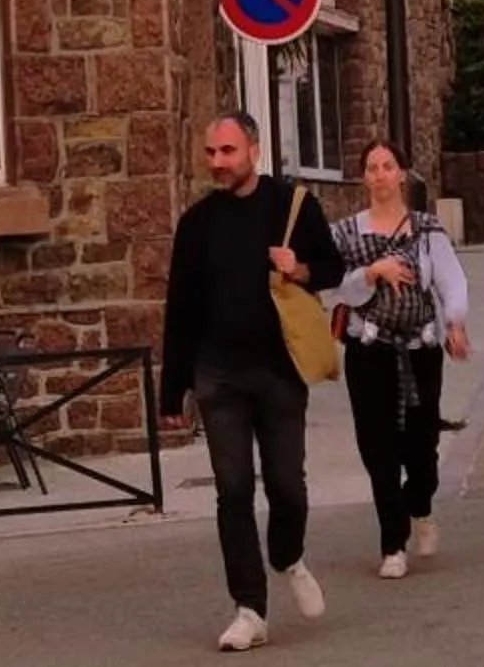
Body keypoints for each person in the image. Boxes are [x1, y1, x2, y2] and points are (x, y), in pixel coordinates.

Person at [159, 109, 345, 653]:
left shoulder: (293, 206)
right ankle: (249, 609)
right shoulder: (196, 224)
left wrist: (298, 268)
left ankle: (287, 554)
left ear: (253, 151)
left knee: (288, 487)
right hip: (218, 376)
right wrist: (173, 389)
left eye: (228, 151)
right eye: (211, 152)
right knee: (233, 491)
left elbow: (332, 268)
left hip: (280, 371)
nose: (218, 162)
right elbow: (180, 308)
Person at [328, 139, 470, 578]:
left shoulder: (426, 230)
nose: (380, 175)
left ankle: (420, 505)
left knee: (422, 449)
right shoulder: (346, 233)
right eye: (372, 168)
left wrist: (455, 323)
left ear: (402, 174)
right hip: (369, 351)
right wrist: (373, 272)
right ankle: (393, 544)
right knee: (379, 449)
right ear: (364, 177)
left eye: (388, 166)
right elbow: (338, 287)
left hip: (419, 351)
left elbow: (451, 280)